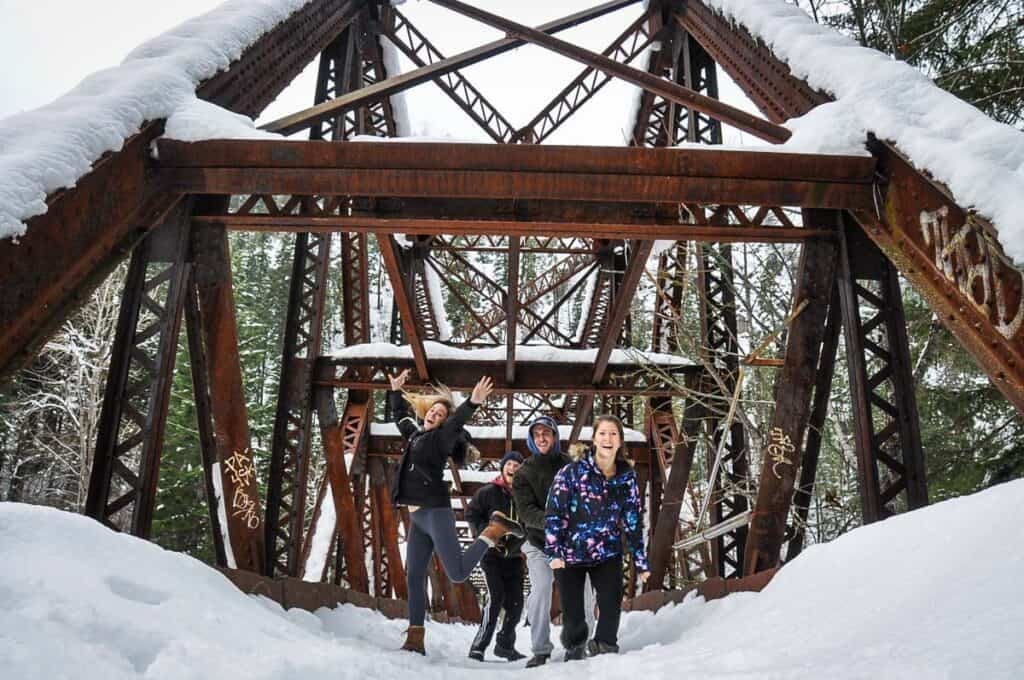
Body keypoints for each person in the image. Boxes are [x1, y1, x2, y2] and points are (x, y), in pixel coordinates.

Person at [388, 369, 525, 655]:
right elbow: (400, 417)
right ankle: (415, 638)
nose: (434, 415)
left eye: (440, 415)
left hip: (435, 512)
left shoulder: (440, 440)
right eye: (432, 411)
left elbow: (455, 424)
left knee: (458, 572)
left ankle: (494, 530)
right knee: (414, 575)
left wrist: (472, 402)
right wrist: (395, 391)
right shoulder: (416, 436)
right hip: (417, 518)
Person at [544, 414, 650, 661]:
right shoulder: (571, 472)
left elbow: (633, 522)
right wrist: (554, 551)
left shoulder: (627, 478)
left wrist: (641, 561)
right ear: (593, 439)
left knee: (611, 602)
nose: (607, 439)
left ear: (620, 441)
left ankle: (605, 647)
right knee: (574, 618)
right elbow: (554, 513)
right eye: (602, 433)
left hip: (607, 552)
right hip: (570, 553)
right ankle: (574, 648)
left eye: (613, 434)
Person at [512, 416, 594, 668]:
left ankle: (578, 644)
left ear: (555, 436)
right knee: (541, 587)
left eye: (546, 433)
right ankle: (540, 649)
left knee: (582, 590)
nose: (542, 438)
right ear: (531, 439)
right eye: (536, 434)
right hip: (538, 542)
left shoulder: (570, 465)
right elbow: (526, 511)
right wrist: (553, 521)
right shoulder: (523, 472)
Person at [465, 451, 528, 662]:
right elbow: (471, 514)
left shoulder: (525, 495)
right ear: (502, 468)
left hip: (515, 557)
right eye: (509, 464)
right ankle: (479, 646)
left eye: (517, 466)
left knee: (516, 603)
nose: (512, 468)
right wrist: (486, 533)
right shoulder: (487, 492)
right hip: (491, 555)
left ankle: (505, 646)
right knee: (495, 598)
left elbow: (530, 524)